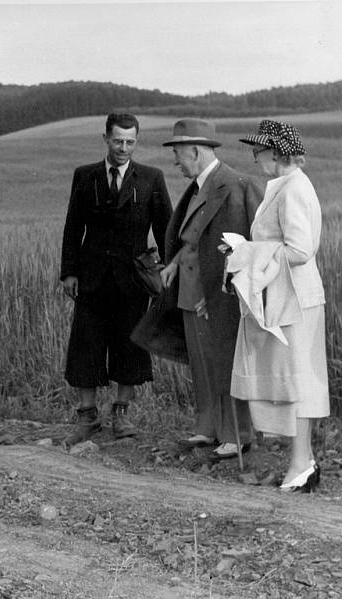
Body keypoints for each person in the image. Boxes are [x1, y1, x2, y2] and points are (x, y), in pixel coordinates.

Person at [60, 113, 172, 445]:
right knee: (86, 344)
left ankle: (121, 415)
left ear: (136, 142)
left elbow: (165, 228)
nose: (124, 148)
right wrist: (69, 272)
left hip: (133, 281)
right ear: (106, 139)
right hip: (91, 278)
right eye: (118, 141)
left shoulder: (151, 178)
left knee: (129, 345)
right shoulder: (85, 176)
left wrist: (166, 272)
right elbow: (73, 227)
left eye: (130, 142)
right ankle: (87, 416)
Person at [230, 120, 327, 491]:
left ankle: (301, 464)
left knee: (298, 383)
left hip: (296, 301)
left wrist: (249, 253)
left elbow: (302, 249)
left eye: (260, 150)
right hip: (288, 298)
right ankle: (303, 463)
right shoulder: (285, 186)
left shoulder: (294, 189)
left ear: (278, 152)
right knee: (293, 381)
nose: (255, 157)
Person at [159, 118, 262, 460]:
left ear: (196, 151)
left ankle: (237, 434)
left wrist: (212, 295)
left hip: (214, 294)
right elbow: (192, 238)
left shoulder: (231, 186)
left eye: (178, 153)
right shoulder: (200, 185)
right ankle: (208, 428)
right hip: (190, 289)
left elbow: (233, 250)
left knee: (226, 362)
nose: (175, 160)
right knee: (202, 364)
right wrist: (173, 263)